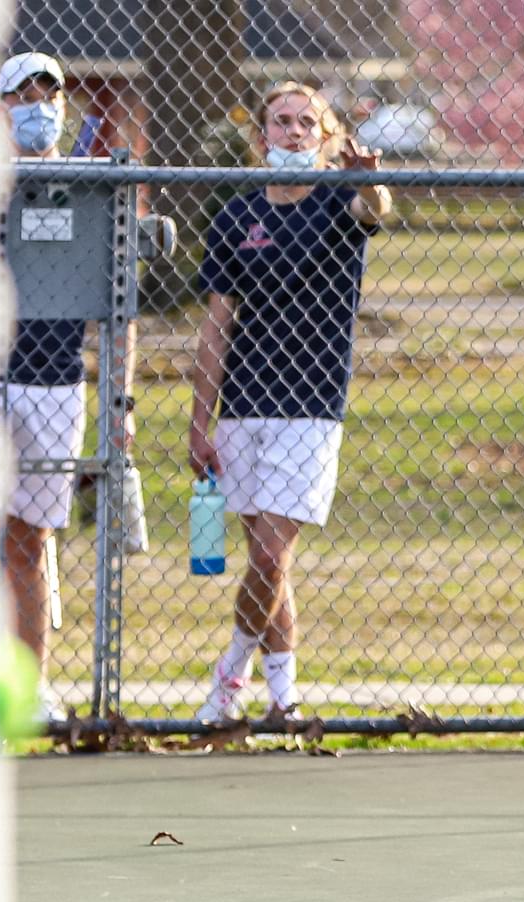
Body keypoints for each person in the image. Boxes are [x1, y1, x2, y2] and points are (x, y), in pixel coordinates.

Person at [187, 82, 390, 722]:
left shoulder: (338, 202)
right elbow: (216, 328)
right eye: (282, 122)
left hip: (312, 407)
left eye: (308, 123)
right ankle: (285, 699)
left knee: (272, 554)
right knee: (270, 567)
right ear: (263, 136)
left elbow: (376, 209)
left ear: (326, 137)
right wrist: (200, 423)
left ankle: (229, 675)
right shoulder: (234, 217)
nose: (295, 132)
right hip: (244, 406)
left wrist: (369, 183)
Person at [0, 52, 137, 720]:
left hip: (55, 386)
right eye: (22, 94)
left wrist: (120, 403)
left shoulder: (91, 188)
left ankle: (28, 690)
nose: (37, 104)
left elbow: (117, 308)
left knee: (30, 541)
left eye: (49, 92)